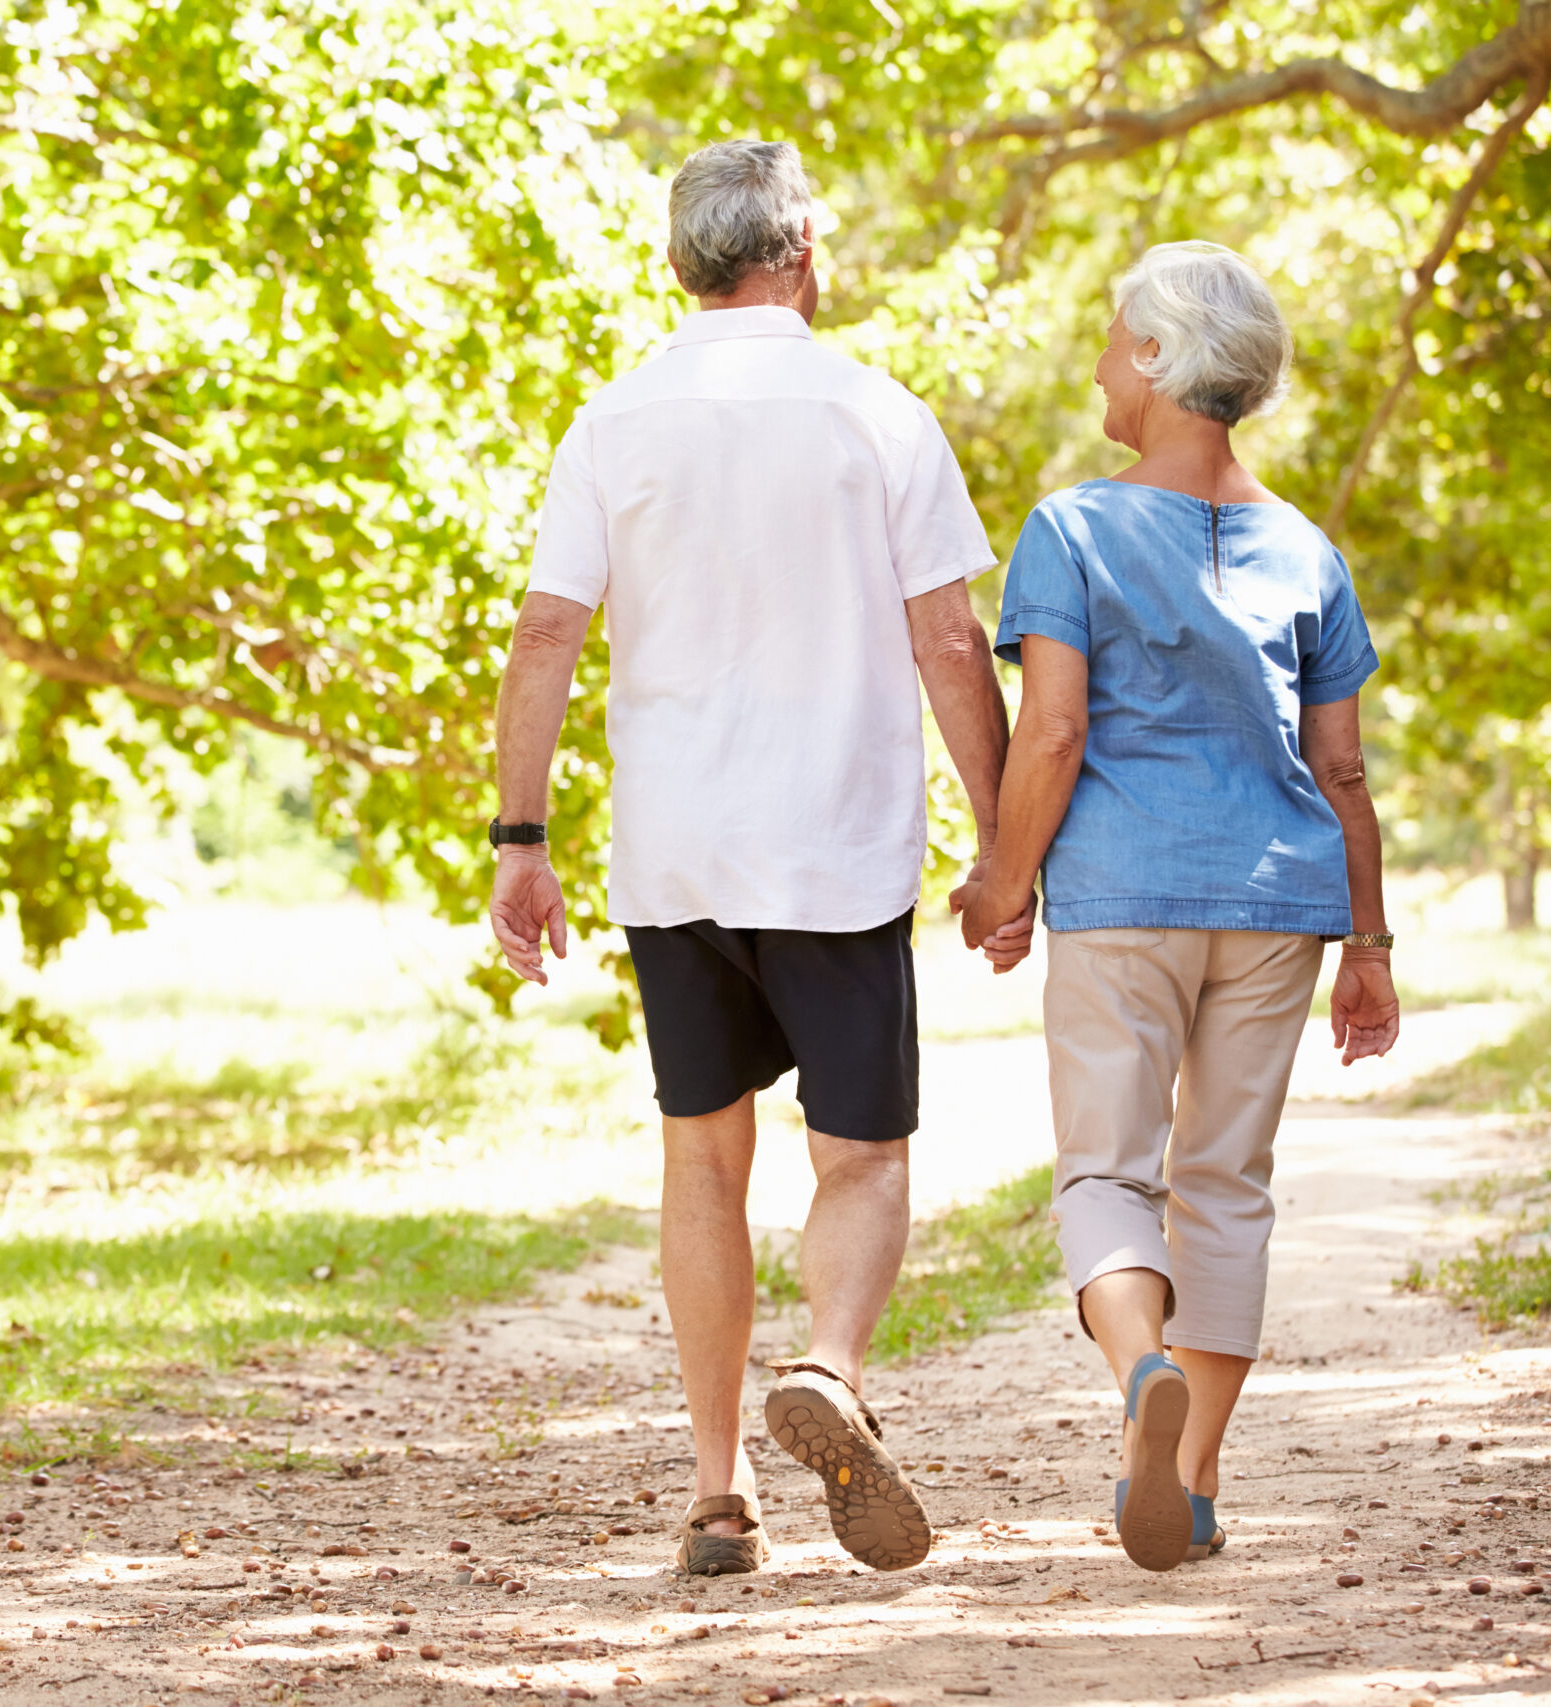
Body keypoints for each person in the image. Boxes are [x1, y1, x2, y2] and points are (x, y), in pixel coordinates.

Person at [488, 139, 1016, 1578]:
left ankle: (720, 1495)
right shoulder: (877, 414)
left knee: (701, 1159)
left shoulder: (614, 420)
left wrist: (519, 840)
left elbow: (547, 632)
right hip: (834, 848)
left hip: (677, 852)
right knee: (862, 1155)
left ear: (686, 261)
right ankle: (831, 1372)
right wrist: (1002, 840)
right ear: (798, 250)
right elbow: (950, 640)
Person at [956, 240, 1403, 1572]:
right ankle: (1194, 1477)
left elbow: (1052, 735)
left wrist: (1002, 878)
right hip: (1278, 906)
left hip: (1125, 896)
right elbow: (1343, 770)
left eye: (1110, 338)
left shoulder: (1075, 527)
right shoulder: (1308, 550)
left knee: (1109, 1170)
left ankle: (1142, 1370)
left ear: (1154, 358)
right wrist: (1370, 945)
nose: (1099, 361)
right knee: (1226, 1186)